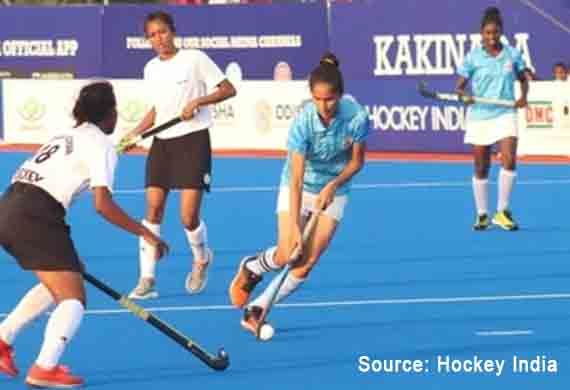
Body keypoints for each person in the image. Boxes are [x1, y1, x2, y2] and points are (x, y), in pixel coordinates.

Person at [0, 81, 168, 388]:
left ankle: (2, 338)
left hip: (8, 206)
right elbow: (102, 205)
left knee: (68, 275)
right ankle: (44, 367)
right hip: (36, 213)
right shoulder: (102, 145)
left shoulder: (66, 135)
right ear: (109, 115)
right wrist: (145, 233)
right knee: (74, 298)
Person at [228, 52, 369, 333]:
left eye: (329, 99)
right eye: (317, 99)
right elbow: (295, 178)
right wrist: (294, 225)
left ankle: (258, 308)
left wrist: (333, 184)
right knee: (287, 252)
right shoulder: (303, 123)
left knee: (307, 263)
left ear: (340, 95)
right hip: (299, 186)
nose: (323, 105)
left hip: (335, 189)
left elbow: (357, 162)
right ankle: (253, 267)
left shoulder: (357, 117)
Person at [121, 11, 236, 300]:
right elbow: (157, 110)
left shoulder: (195, 59)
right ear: (147, 39)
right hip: (162, 142)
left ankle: (201, 258)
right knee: (153, 208)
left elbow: (228, 89)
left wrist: (199, 101)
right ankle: (147, 279)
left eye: (163, 32)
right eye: (152, 35)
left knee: (188, 217)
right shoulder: (150, 69)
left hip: (193, 140)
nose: (158, 39)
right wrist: (134, 133)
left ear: (173, 32)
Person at [456, 7, 530, 231]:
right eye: (487, 33)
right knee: (481, 166)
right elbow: (459, 88)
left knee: (509, 158)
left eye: (495, 32)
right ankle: (482, 214)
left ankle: (502, 211)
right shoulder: (473, 57)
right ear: (481, 33)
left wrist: (523, 96)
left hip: (506, 113)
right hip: (480, 115)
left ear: (501, 32)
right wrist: (465, 96)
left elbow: (523, 78)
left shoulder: (512, 54)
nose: (491, 37)